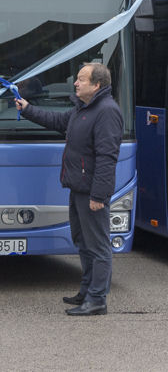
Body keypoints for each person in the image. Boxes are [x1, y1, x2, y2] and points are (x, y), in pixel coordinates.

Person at [15, 62, 122, 316]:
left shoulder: (106, 111)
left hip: (91, 192)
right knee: (82, 241)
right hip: (78, 187)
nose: (75, 83)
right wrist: (28, 109)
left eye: (81, 79)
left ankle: (97, 300)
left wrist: (99, 195)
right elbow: (57, 120)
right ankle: (86, 291)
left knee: (98, 246)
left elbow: (107, 157)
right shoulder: (82, 108)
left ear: (97, 85)